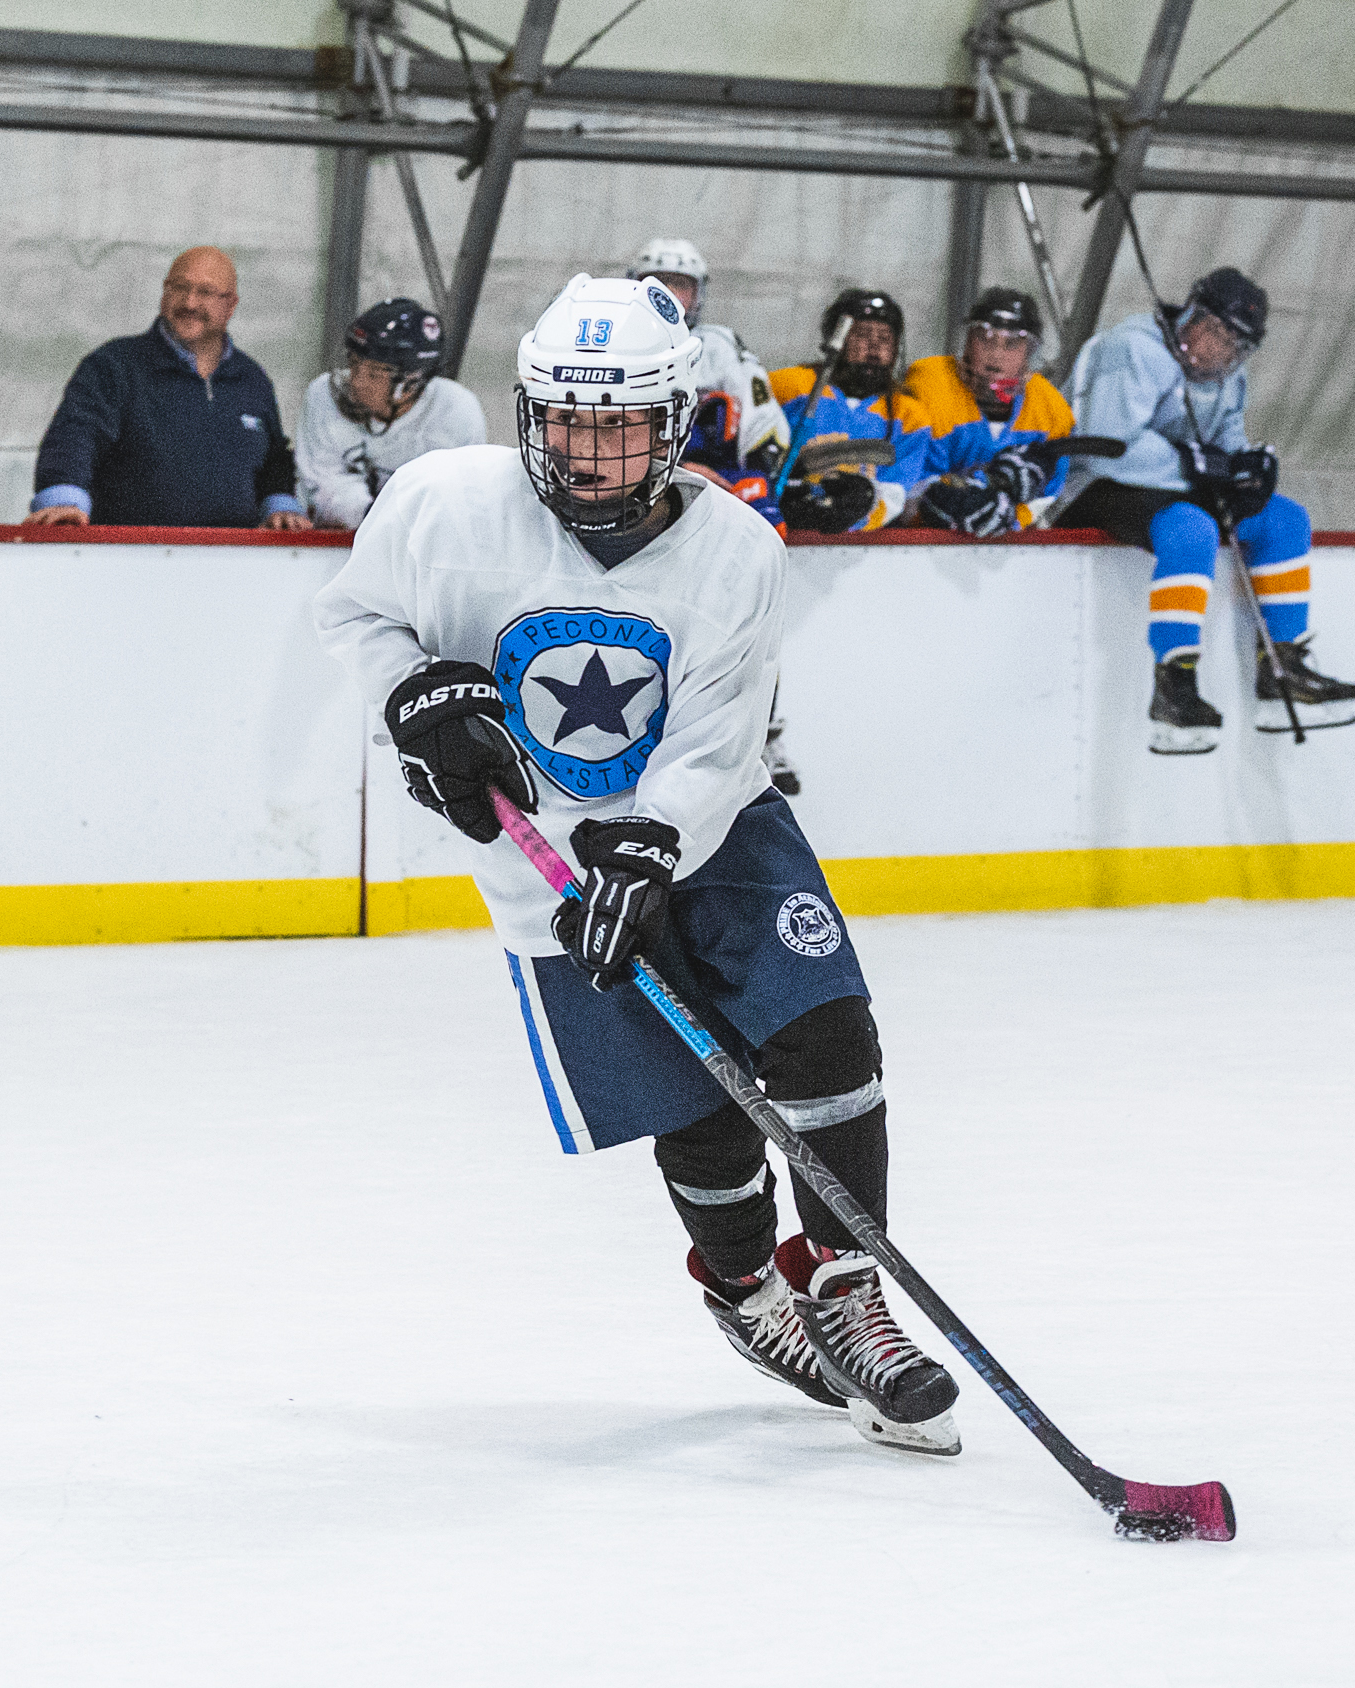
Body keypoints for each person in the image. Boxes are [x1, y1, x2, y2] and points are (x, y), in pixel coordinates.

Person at [310, 273, 961, 1457]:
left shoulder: (738, 553)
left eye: (618, 424)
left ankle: (846, 1284)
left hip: (718, 834)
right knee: (691, 1093)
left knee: (826, 1030)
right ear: (529, 413)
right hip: (546, 859)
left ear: (672, 423)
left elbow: (720, 739)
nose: (589, 450)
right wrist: (418, 701)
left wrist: (655, 842)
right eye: (565, 419)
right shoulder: (441, 509)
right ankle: (745, 1287)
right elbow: (357, 616)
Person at [1058, 266, 1355, 755]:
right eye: (1213, 329)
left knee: (1285, 521)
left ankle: (1281, 670)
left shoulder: (1229, 380)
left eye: (1233, 344)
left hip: (1167, 487)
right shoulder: (1134, 348)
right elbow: (1102, 445)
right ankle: (1174, 687)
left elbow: (1225, 447)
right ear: (1192, 314)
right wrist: (1192, 465)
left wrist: (1245, 474)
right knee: (1190, 529)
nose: (1215, 349)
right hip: (1090, 486)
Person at [25, 246, 311, 530]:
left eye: (206, 292)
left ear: (231, 305)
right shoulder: (112, 366)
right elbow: (75, 436)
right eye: (179, 287)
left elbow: (274, 458)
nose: (189, 302)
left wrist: (281, 506)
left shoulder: (252, 379)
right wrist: (63, 500)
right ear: (164, 292)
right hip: (129, 559)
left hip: (231, 563)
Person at [293, 297, 488, 529]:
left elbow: (463, 496)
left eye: (374, 373)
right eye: (354, 363)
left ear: (411, 381)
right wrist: (375, 518)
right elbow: (320, 484)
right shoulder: (322, 395)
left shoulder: (456, 411)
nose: (357, 381)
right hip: (340, 546)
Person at [901, 287, 1077, 538]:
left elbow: (1049, 494)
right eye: (985, 338)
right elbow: (902, 487)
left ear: (1030, 353)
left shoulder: (1050, 409)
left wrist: (1012, 518)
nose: (995, 356)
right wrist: (940, 502)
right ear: (967, 341)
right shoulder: (930, 387)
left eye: (1012, 343)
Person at [764, 287, 940, 536]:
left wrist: (861, 509)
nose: (874, 346)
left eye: (885, 338)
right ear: (836, 337)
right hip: (782, 533)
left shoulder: (909, 415)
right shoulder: (789, 387)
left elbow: (896, 492)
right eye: (862, 334)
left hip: (859, 551)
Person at [627, 235, 785, 470]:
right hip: (633, 470)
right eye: (657, 284)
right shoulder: (616, 344)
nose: (668, 293)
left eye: (679, 284)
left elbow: (760, 414)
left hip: (715, 472)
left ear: (697, 294)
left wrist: (755, 470)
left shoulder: (720, 344)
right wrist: (680, 467)